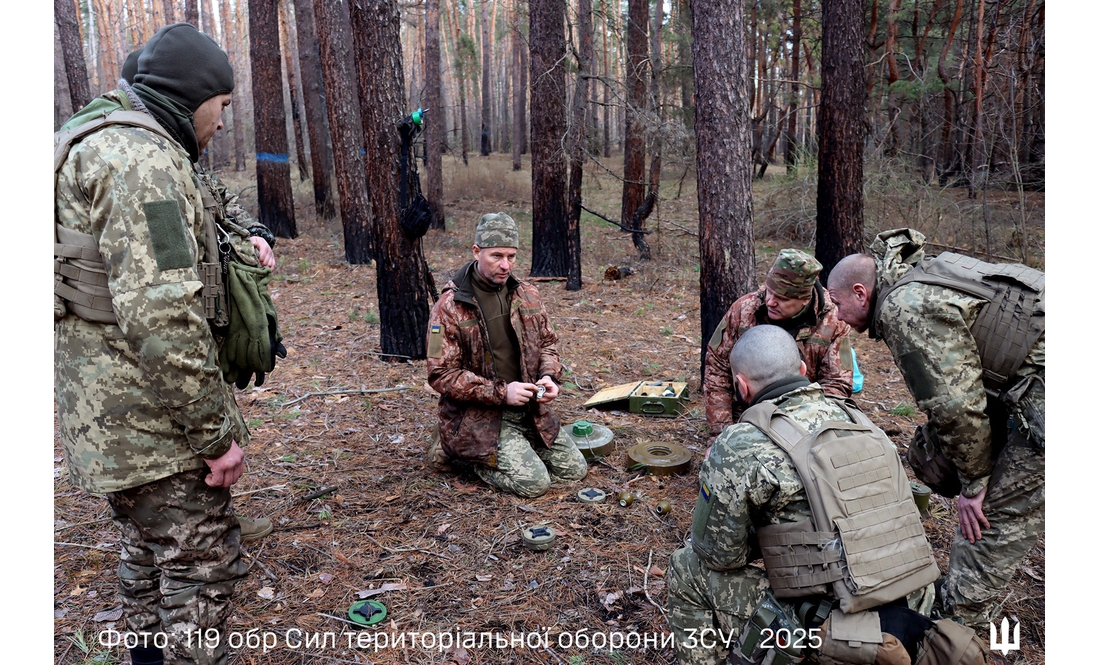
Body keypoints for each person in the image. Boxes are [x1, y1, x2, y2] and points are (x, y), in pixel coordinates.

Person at [55, 23, 255, 665]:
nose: (222, 122)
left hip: (104, 415)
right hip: (150, 420)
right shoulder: (143, 162)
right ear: (191, 96)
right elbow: (164, 314)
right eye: (221, 106)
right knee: (202, 566)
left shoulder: (88, 140)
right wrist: (215, 435)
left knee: (146, 552)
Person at [668, 325, 950, 665]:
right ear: (803, 370)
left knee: (686, 566)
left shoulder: (740, 444)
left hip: (834, 631)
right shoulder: (860, 421)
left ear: (742, 387)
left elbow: (719, 557)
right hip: (911, 614)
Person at [827, 228, 1044, 631]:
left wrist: (975, 486)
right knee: (931, 449)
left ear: (860, 293)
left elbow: (956, 407)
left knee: (989, 519)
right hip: (1033, 378)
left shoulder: (903, 308)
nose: (836, 316)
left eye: (837, 304)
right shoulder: (920, 275)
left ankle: (955, 626)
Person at [425, 213, 588, 498]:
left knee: (574, 471)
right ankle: (461, 452)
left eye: (511, 256)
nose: (505, 265)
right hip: (479, 416)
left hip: (529, 409)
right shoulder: (448, 307)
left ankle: (515, 444)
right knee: (535, 484)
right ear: (477, 252)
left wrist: (549, 376)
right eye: (496, 255)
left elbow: (549, 343)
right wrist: (502, 393)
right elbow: (441, 375)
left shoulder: (527, 294)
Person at [703, 249, 853, 444]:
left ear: (804, 300)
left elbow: (836, 385)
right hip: (746, 416)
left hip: (802, 418)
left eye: (782, 298)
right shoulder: (744, 310)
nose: (770, 301)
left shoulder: (833, 321)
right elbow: (717, 370)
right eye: (769, 291)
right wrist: (722, 435)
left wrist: (813, 433)